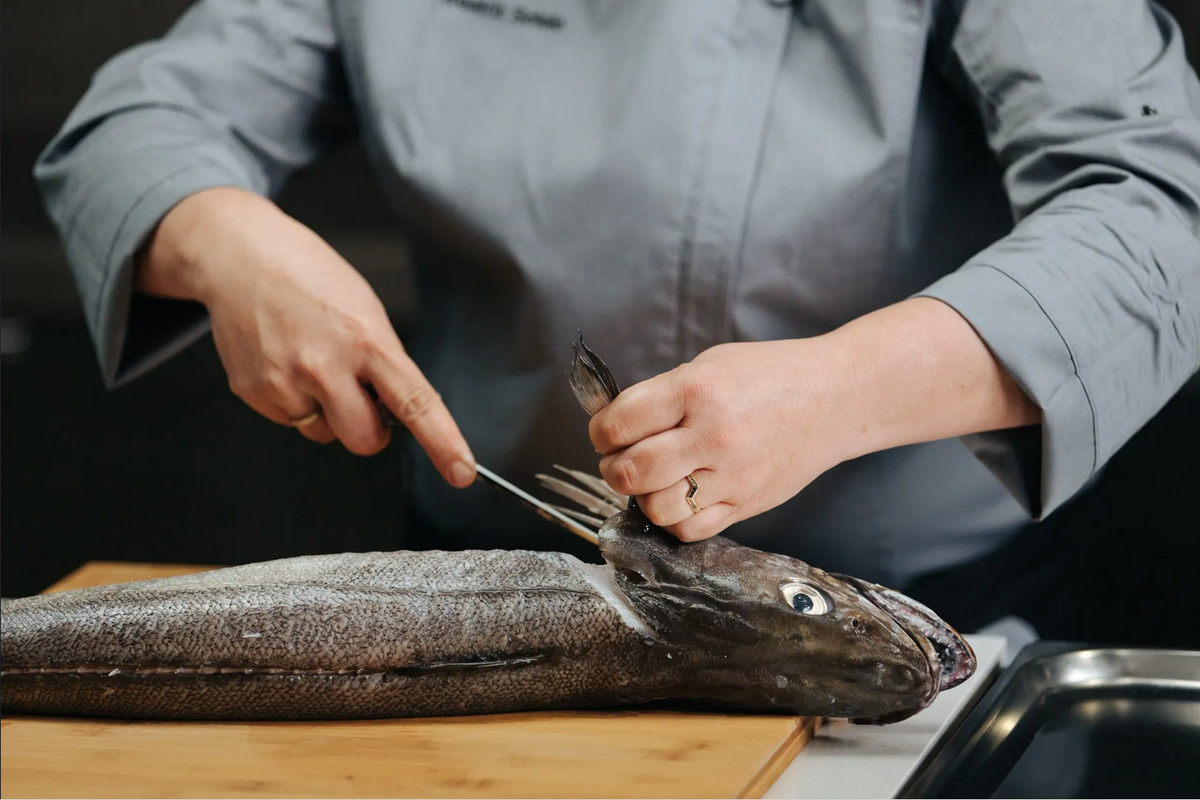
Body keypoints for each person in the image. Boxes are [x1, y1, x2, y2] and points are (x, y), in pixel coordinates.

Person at [35, 0, 1200, 611]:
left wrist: (845, 388)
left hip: (905, 615)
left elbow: (1161, 203)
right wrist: (219, 235)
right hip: (478, 602)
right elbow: (138, 122)